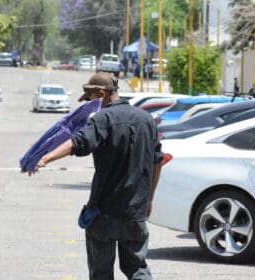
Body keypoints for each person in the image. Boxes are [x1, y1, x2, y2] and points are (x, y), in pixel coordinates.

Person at [27, 72, 163, 280]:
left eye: (91, 99)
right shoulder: (145, 119)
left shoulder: (102, 119)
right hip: (135, 211)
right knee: (137, 269)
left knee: (101, 273)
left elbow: (78, 142)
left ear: (102, 93)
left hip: (104, 212)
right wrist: (150, 198)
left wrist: (45, 158)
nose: (91, 105)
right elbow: (157, 161)